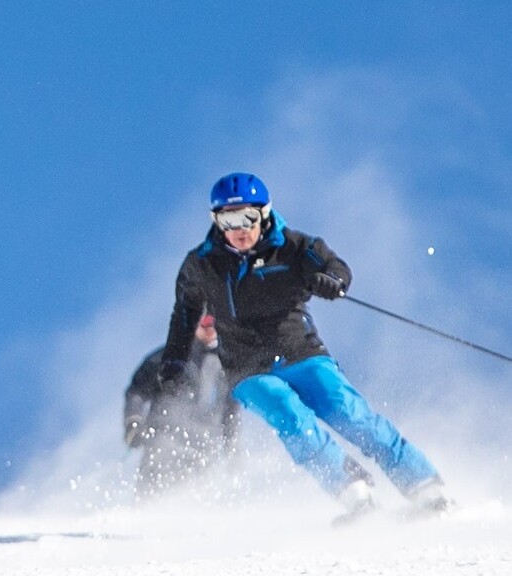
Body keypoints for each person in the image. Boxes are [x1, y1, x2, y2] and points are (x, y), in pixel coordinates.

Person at [157, 172, 451, 523]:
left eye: (247, 217)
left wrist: (332, 282)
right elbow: (184, 314)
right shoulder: (201, 264)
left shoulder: (293, 247)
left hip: (300, 352)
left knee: (349, 413)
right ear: (216, 221)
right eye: (228, 219)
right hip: (247, 367)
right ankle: (355, 494)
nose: (239, 228)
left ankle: (425, 487)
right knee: (290, 417)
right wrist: (174, 361)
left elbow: (334, 266)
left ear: (264, 214)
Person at [124, 314, 239, 495]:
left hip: (203, 447)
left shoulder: (225, 364)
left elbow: (230, 410)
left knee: (194, 500)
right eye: (206, 322)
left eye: (216, 322)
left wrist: (231, 448)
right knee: (151, 496)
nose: (211, 328)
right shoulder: (170, 357)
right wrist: (134, 422)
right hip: (164, 441)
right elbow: (137, 391)